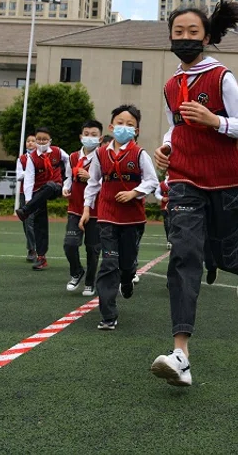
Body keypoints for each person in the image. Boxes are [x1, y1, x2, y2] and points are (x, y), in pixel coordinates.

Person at [151, 0, 238, 387]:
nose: (184, 38)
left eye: (192, 32)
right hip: (184, 181)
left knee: (225, 255)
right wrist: (165, 148)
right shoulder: (170, 85)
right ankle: (181, 354)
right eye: (177, 32)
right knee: (184, 255)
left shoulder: (221, 78)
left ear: (207, 37)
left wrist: (216, 121)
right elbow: (174, 127)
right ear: (170, 37)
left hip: (226, 182)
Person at [81, 105, 158, 331]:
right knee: (110, 263)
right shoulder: (100, 153)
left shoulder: (139, 154)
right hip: (106, 216)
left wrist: (134, 193)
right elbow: (93, 182)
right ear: (112, 127)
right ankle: (108, 315)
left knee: (126, 264)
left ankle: (128, 278)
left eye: (130, 124)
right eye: (120, 123)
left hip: (133, 219)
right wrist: (87, 209)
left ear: (137, 130)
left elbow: (152, 181)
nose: (124, 127)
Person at [62, 120, 103, 296]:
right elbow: (68, 177)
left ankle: (90, 282)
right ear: (81, 136)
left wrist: (92, 179)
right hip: (75, 208)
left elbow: (108, 182)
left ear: (100, 138)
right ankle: (76, 271)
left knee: (92, 249)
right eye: (86, 134)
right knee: (69, 244)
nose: (89, 137)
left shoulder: (103, 157)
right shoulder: (72, 157)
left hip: (95, 210)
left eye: (94, 135)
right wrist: (66, 187)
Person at [20, 127, 68, 271]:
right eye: (39, 139)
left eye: (44, 139)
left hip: (56, 187)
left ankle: (26, 210)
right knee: (40, 224)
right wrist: (28, 198)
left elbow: (69, 161)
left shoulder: (58, 152)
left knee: (50, 185)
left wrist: (68, 182)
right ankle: (41, 257)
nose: (41, 142)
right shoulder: (32, 158)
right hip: (39, 193)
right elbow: (28, 179)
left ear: (50, 140)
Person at [16, 134, 38, 262]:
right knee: (26, 222)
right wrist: (30, 172)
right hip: (24, 193)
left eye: (33, 141)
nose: (30, 143)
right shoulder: (22, 159)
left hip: (37, 193)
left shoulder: (41, 157)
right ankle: (31, 247)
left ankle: (33, 249)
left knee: (32, 221)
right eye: (28, 141)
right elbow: (19, 176)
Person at [155, 176, 172, 250]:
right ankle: (169, 241)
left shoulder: (176, 182)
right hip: (164, 206)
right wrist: (162, 198)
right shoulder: (162, 184)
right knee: (167, 223)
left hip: (175, 206)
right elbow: (156, 193)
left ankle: (176, 241)